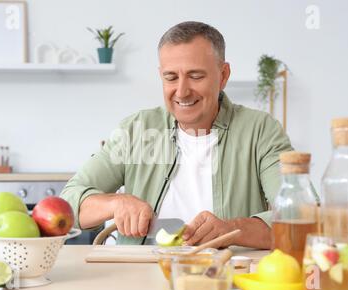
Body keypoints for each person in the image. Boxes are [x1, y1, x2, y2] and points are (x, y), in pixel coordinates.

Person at [60, 21, 292, 249]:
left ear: (223, 75)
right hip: (138, 276)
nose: (182, 91)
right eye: (171, 77)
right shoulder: (136, 130)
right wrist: (116, 202)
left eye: (196, 76)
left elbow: (302, 214)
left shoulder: (261, 131)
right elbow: (67, 204)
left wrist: (230, 229)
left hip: (225, 277)